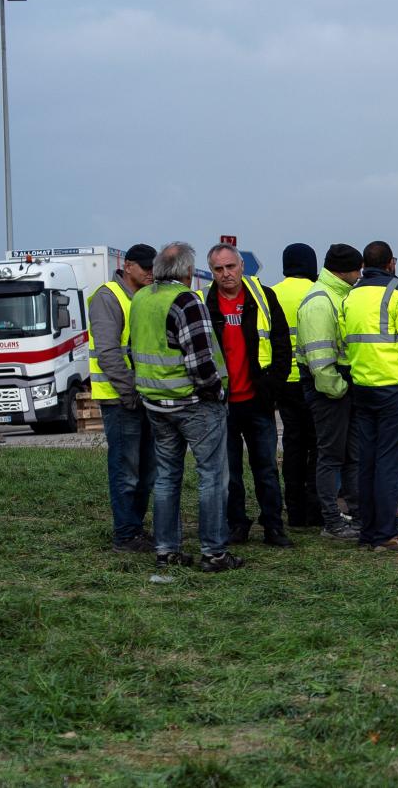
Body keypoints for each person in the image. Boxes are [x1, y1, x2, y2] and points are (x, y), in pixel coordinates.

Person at [130, 242, 242, 573]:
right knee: (212, 477)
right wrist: (217, 392)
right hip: (194, 404)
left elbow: (130, 349)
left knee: (166, 476)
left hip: (156, 403)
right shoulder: (186, 300)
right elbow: (200, 360)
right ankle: (214, 553)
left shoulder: (140, 299)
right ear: (189, 271)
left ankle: (166, 551)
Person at [201, 243, 294, 549]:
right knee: (229, 472)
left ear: (241, 266)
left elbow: (282, 346)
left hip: (258, 401)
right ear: (211, 272)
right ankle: (236, 525)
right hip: (221, 403)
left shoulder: (263, 297)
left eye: (230, 267)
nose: (226, 274)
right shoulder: (204, 302)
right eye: (218, 269)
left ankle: (273, 526)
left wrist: (272, 387)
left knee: (266, 468)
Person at [341, 241, 398, 553]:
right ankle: (385, 533)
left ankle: (367, 531)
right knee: (389, 464)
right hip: (395, 388)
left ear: (364, 264)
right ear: (391, 262)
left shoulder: (352, 294)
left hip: (362, 387)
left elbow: (346, 338)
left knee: (368, 462)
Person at [89, 242, 158, 553]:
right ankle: (125, 534)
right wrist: (131, 393)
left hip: (144, 398)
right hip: (121, 400)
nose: (150, 272)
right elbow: (108, 352)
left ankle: (135, 529)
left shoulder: (145, 296)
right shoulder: (108, 297)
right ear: (127, 265)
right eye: (144, 267)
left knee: (146, 472)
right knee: (126, 471)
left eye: (153, 267)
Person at [294, 243, 363, 540]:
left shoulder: (338, 295)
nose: (360, 275)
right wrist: (338, 388)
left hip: (338, 384)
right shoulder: (320, 301)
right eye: (357, 269)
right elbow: (320, 360)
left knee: (349, 455)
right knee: (331, 456)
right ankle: (332, 522)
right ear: (345, 270)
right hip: (329, 387)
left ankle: (356, 516)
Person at [270, 243, 320, 527]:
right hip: (312, 379)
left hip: (282, 382)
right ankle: (314, 509)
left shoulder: (273, 293)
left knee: (292, 444)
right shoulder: (318, 293)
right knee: (318, 445)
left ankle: (294, 509)